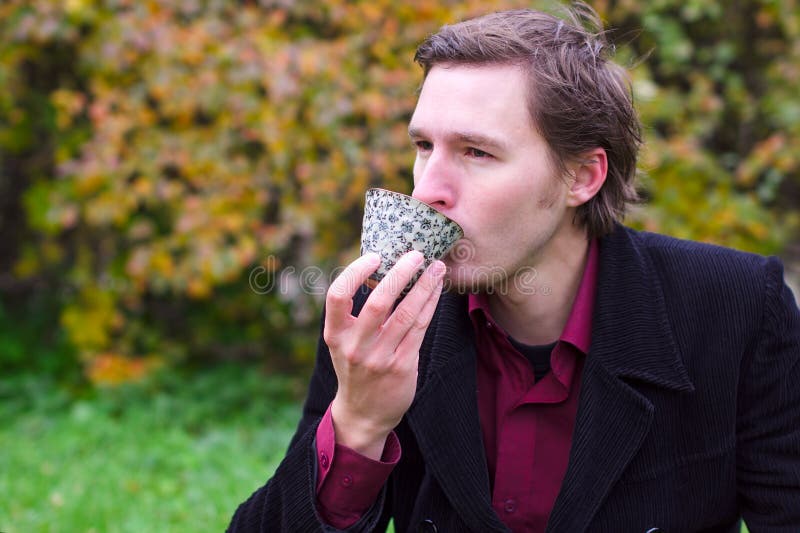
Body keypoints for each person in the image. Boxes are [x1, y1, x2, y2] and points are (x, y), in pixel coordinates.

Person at [228, 4, 800, 532]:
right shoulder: (380, 318)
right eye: (424, 146)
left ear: (582, 177)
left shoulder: (737, 307)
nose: (426, 191)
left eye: (477, 153)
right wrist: (357, 424)